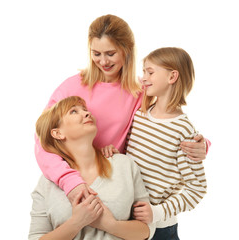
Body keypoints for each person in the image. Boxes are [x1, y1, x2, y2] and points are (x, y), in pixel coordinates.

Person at [35, 14, 208, 203]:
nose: (103, 61)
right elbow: (42, 139)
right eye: (96, 53)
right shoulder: (70, 87)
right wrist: (69, 180)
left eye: (110, 54)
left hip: (114, 189)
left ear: (126, 51)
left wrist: (200, 144)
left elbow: (165, 121)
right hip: (69, 188)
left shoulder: (141, 91)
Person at [29, 96, 155, 240]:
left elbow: (147, 230)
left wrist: (109, 224)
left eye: (85, 110)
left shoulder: (124, 165)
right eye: (74, 112)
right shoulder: (46, 183)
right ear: (58, 133)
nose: (87, 113)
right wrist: (76, 222)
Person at [125, 47, 207, 240]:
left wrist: (157, 212)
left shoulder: (184, 131)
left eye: (150, 72)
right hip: (130, 224)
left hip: (160, 230)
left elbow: (197, 188)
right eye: (144, 71)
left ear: (172, 77)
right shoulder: (140, 115)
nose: (143, 78)